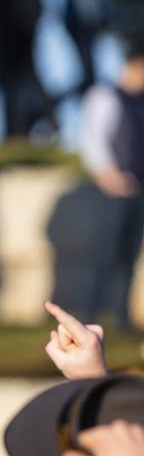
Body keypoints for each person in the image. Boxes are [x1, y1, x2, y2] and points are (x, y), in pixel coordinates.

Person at [80, 41, 144, 330]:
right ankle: (91, 315)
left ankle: (121, 317)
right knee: (104, 254)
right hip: (113, 190)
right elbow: (93, 138)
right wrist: (108, 174)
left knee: (129, 256)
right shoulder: (105, 96)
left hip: (138, 190)